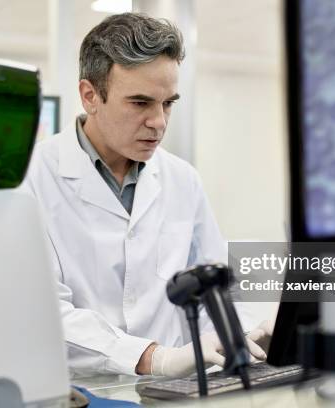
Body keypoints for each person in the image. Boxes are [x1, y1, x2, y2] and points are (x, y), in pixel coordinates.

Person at [23, 12, 272, 377]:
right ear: (90, 95)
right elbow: (42, 313)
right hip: (78, 392)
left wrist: (238, 334)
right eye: (140, 103)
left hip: (171, 395)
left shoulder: (182, 179)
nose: (158, 122)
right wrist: (154, 358)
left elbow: (214, 289)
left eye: (168, 103)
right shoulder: (30, 179)